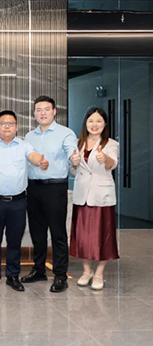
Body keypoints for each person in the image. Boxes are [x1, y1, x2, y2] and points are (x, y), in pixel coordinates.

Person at [0, 110, 48, 292]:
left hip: (18, 201)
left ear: (16, 127)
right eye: (3, 123)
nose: (7, 127)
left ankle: (12, 276)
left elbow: (33, 156)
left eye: (11, 123)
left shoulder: (24, 145)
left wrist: (40, 161)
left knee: (14, 241)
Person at [22, 96, 78, 293]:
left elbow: (72, 152)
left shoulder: (65, 133)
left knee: (57, 232)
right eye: (39, 110)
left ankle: (60, 275)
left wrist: (74, 158)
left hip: (55, 188)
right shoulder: (29, 136)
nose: (43, 113)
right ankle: (38, 270)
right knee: (37, 232)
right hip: (33, 188)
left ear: (54, 111)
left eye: (47, 109)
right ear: (34, 113)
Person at [69, 107, 119, 290]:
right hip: (82, 195)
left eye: (99, 121)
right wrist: (73, 163)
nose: (94, 125)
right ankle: (86, 270)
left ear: (105, 124)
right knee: (83, 236)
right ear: (86, 123)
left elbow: (113, 164)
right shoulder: (78, 142)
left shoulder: (111, 144)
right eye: (91, 121)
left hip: (101, 196)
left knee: (102, 235)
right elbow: (74, 170)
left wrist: (104, 158)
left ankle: (99, 273)